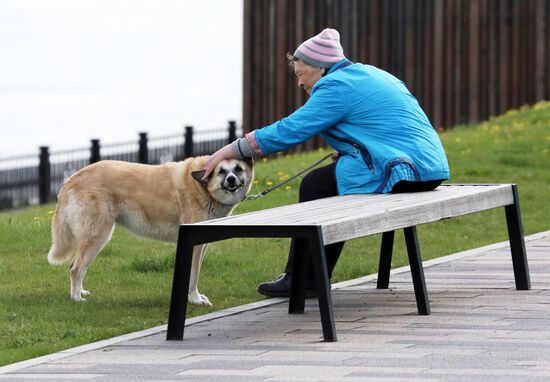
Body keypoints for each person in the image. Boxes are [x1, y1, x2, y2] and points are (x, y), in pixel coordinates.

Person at [202, 28, 450, 298]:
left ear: (320, 67)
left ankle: (304, 280)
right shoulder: (369, 73)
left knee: (315, 185)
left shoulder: (335, 86)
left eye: (300, 74)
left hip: (402, 172)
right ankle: (309, 276)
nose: (299, 83)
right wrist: (352, 151)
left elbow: (291, 130)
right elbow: (386, 127)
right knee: (326, 183)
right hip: (429, 168)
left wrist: (233, 148)